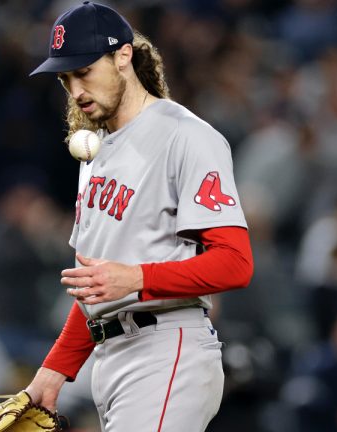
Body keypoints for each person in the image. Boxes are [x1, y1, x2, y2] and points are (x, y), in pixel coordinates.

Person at [24, 2, 254, 431]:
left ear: (124, 56)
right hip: (109, 358)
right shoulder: (94, 153)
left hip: (167, 347)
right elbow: (97, 285)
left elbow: (236, 263)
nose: (76, 90)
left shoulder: (186, 136)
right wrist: (54, 370)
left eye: (85, 71)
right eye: (66, 78)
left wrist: (138, 278)